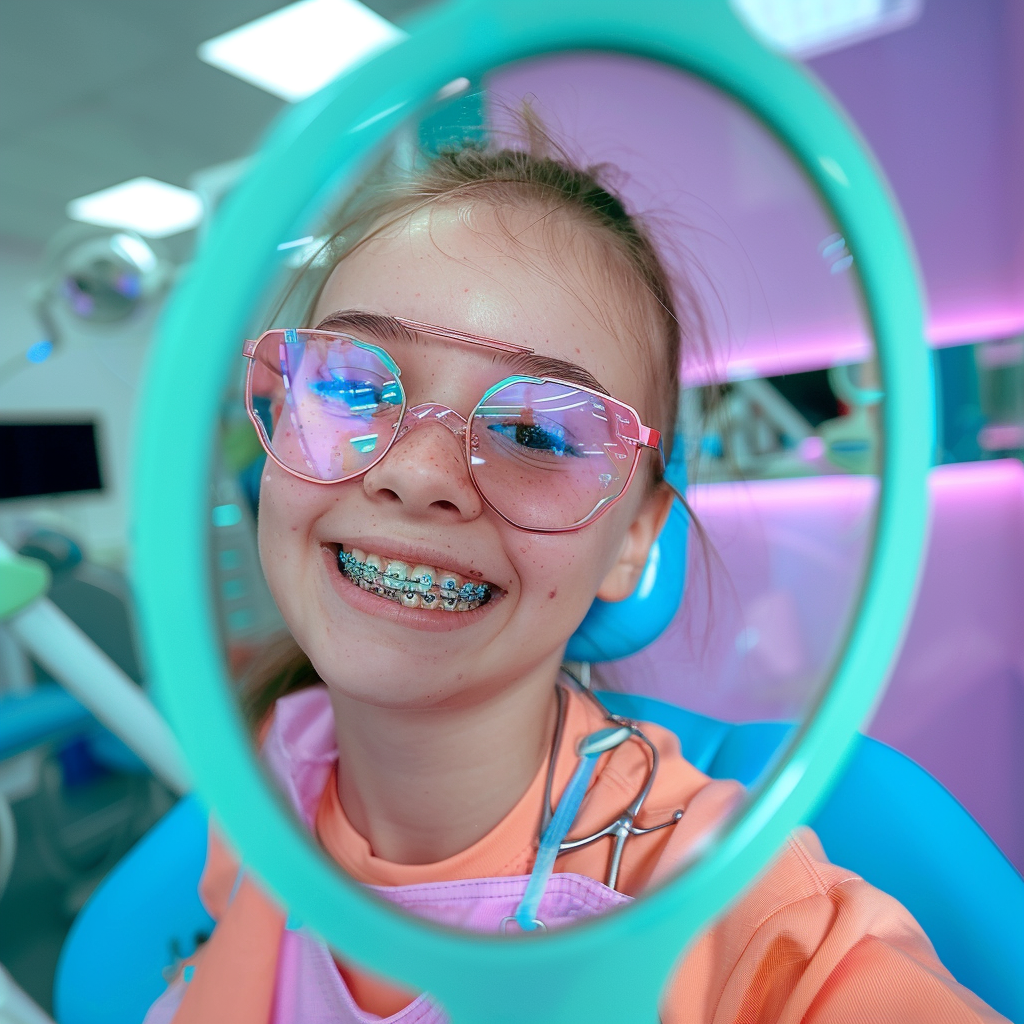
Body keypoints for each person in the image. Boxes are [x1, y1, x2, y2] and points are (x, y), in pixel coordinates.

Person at [145, 118, 1007, 1024]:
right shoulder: (268, 780)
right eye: (355, 385)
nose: (415, 473)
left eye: (535, 433)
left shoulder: (737, 913)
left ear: (635, 536)